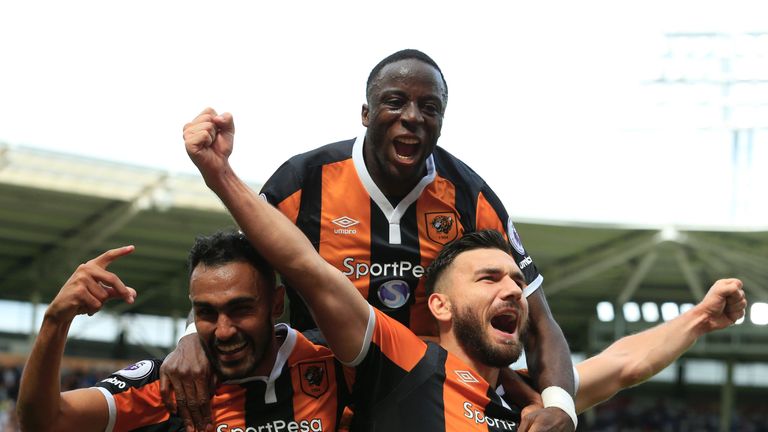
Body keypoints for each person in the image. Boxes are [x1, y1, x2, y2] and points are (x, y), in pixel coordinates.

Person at [182, 120, 748, 431]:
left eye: (512, 279)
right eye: (487, 279)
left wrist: (699, 318)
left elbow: (622, 365)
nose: (511, 289)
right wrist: (220, 174)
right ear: (440, 306)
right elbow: (306, 267)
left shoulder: (527, 401)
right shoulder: (402, 365)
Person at [166, 48, 577, 431]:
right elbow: (228, 279)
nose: (413, 116)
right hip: (319, 398)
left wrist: (561, 405)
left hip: (427, 400)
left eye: (430, 107)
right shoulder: (303, 182)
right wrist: (190, 340)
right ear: (366, 112)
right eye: (396, 102)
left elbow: (539, 322)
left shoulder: (471, 197)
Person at [16, 232, 350, 432]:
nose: (223, 331)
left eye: (241, 309)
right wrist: (55, 321)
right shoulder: (171, 385)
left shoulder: (338, 362)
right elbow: (44, 423)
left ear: (276, 304)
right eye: (206, 312)